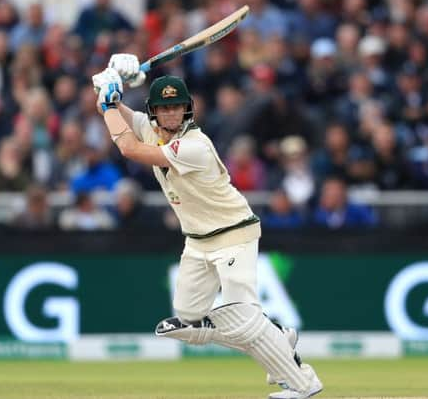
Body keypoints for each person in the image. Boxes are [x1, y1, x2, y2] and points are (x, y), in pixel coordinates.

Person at [91, 54, 322, 399]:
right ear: (154, 112)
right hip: (197, 241)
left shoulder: (194, 145)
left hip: (233, 233)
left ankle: (303, 384)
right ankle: (272, 333)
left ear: (188, 109)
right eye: (164, 109)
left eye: (177, 107)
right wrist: (108, 86)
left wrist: (110, 100)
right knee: (187, 317)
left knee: (242, 315)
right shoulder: (151, 129)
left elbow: (128, 148)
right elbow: (118, 117)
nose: (171, 114)